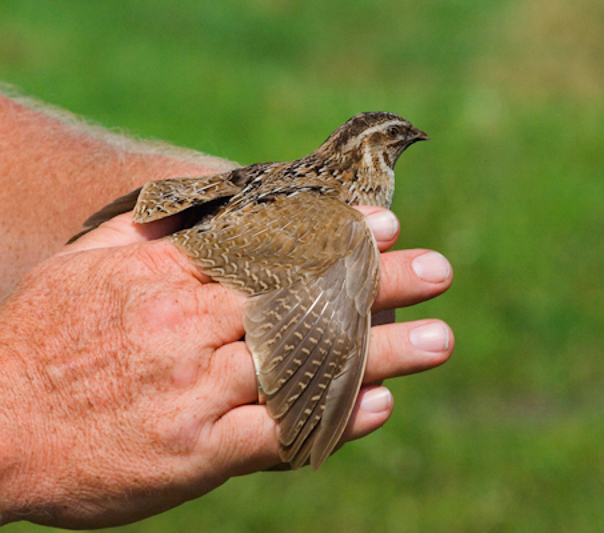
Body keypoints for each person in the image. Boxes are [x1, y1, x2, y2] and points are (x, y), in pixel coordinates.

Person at [0, 92, 454, 528]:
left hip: (262, 206)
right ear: (374, 149)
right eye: (396, 136)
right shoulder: (338, 221)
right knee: (345, 251)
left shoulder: (330, 204)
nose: (408, 139)